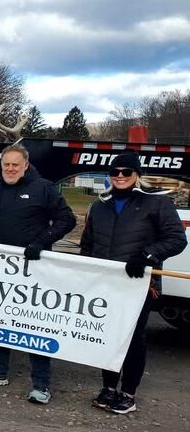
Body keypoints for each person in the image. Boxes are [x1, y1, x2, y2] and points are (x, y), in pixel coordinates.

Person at [0, 143, 76, 404]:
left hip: (33, 269)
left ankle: (41, 383)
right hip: (0, 266)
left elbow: (67, 219)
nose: (10, 168)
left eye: (15, 164)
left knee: (32, 324)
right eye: (6, 164)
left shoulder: (44, 188)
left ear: (25, 165)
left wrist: (42, 241)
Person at [80, 151, 186, 414]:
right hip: (106, 283)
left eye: (126, 172)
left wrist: (147, 255)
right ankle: (108, 387)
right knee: (108, 336)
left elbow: (176, 239)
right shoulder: (99, 206)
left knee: (133, 338)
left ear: (137, 175)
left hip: (138, 283)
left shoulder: (157, 204)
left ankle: (128, 392)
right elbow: (88, 244)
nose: (120, 177)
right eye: (115, 172)